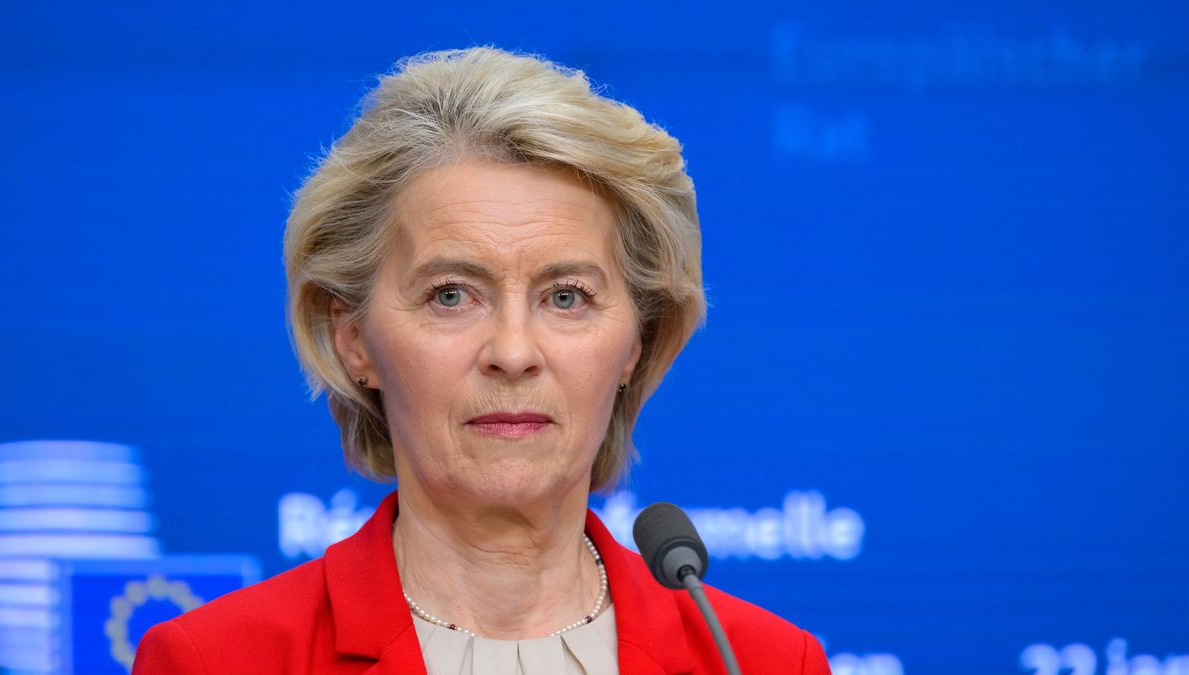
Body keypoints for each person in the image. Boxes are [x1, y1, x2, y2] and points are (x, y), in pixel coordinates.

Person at [134, 46, 831, 675]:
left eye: (567, 296)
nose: (513, 352)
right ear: (352, 338)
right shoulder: (216, 659)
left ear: (636, 341)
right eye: (450, 295)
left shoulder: (761, 661)